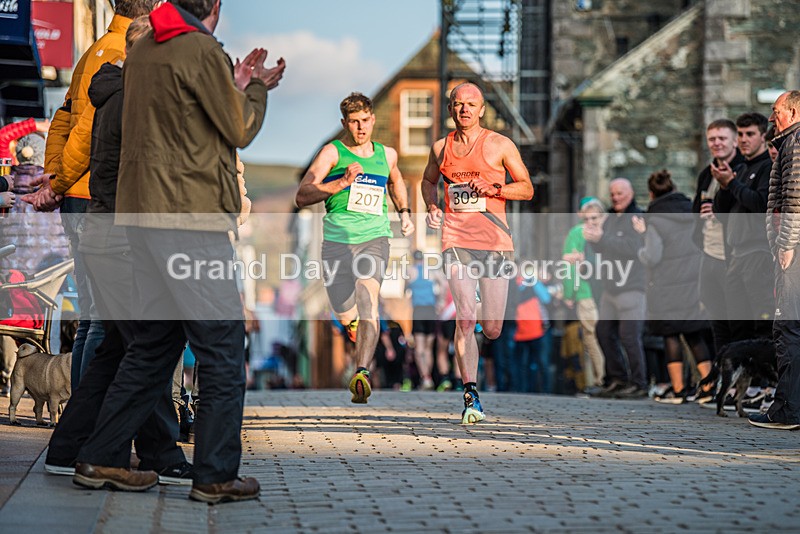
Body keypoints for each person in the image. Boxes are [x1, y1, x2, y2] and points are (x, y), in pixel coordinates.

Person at [72, 0, 286, 504]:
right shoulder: (201, 50)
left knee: (152, 345)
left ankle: (100, 456)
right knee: (223, 347)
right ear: (214, 5)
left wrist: (227, 84)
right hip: (189, 219)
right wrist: (254, 88)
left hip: (140, 216)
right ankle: (215, 475)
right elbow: (238, 129)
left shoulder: (145, 49)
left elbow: (183, 121)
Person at [44, 17, 193, 484]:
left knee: (116, 349)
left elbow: (78, 148)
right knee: (147, 349)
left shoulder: (111, 92)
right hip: (125, 241)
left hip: (103, 235)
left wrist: (57, 183)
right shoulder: (134, 100)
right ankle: (146, 455)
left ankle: (67, 449)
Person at [22, 1, 160, 388]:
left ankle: (82, 419)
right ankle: (87, 422)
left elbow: (63, 117)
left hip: (79, 199)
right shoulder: (125, 52)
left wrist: (53, 175)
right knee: (104, 318)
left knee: (93, 318)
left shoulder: (96, 47)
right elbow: (85, 128)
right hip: (97, 200)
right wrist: (58, 181)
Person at [422, 82, 533, 423]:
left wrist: (496, 188)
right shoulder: (441, 148)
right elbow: (428, 181)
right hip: (455, 240)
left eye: (471, 104)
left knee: (493, 327)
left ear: (482, 109)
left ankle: (482, 304)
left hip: (495, 243)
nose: (465, 109)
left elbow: (527, 188)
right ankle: (471, 395)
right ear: (451, 109)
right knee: (465, 317)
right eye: (458, 104)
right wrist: (431, 205)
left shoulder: (500, 144)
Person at [295, 92, 414, 404]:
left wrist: (404, 214)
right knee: (345, 309)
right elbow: (302, 195)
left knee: (368, 297)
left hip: (374, 239)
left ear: (373, 119)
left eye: (365, 121)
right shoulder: (332, 154)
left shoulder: (386, 155)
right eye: (353, 122)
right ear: (344, 123)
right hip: (336, 244)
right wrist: (341, 184)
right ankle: (352, 329)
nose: (361, 128)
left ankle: (362, 372)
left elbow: (397, 181)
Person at [632, 170, 711, 403]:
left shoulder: (654, 220)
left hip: (667, 285)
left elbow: (652, 256)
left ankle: (678, 390)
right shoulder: (690, 210)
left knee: (671, 335)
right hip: (693, 280)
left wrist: (641, 240)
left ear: (651, 193)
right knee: (694, 334)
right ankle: (708, 387)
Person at [751, 90, 800, 430]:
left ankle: (788, 409)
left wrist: (787, 243)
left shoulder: (796, 142)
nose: (772, 117)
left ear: (794, 111)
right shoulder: (790, 140)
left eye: (776, 110)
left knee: (787, 328)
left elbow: (795, 193)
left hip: (793, 249)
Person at [712, 112, 774, 341]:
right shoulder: (740, 168)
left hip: (758, 253)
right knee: (737, 324)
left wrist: (733, 183)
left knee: (761, 320)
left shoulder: (769, 167)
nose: (744, 139)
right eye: (740, 134)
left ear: (762, 136)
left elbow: (760, 204)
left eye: (750, 134)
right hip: (736, 255)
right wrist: (724, 186)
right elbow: (722, 212)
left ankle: (764, 376)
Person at [586, 178, 647, 398]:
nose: (615, 197)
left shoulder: (637, 217)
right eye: (612, 194)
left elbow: (633, 248)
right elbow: (604, 247)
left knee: (630, 336)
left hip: (631, 286)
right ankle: (617, 379)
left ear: (630, 193)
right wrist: (594, 239)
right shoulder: (610, 218)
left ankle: (639, 383)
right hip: (610, 287)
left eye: (620, 193)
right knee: (603, 332)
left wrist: (603, 237)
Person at [691, 119, 744, 361]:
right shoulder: (707, 173)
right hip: (708, 252)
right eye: (712, 139)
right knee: (716, 319)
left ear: (735, 141)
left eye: (722, 138)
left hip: (731, 254)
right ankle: (725, 374)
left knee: (737, 318)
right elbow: (696, 207)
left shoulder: (742, 169)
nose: (717, 143)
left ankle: (747, 378)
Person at [562, 197, 606, 391]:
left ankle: (600, 379)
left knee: (591, 337)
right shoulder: (604, 232)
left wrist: (569, 293)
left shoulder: (577, 233)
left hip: (585, 292)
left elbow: (569, 269)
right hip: (604, 292)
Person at [407, 250, 440, 390]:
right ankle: (429, 377)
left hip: (419, 310)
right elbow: (443, 284)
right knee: (428, 348)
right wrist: (440, 301)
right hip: (431, 309)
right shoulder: (431, 271)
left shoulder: (410, 271)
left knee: (419, 348)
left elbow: (405, 290)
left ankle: (425, 377)